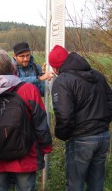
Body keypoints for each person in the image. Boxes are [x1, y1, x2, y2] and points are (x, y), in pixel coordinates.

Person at [0, 49, 52, 191]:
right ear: (13, 68)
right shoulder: (29, 90)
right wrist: (46, 146)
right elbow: (40, 123)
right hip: (26, 156)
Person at [48, 45, 112, 191]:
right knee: (96, 184)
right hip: (103, 136)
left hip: (80, 138)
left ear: (56, 68)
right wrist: (102, 124)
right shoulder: (97, 75)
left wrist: (62, 135)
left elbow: (64, 116)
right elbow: (110, 102)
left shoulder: (62, 81)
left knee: (75, 185)